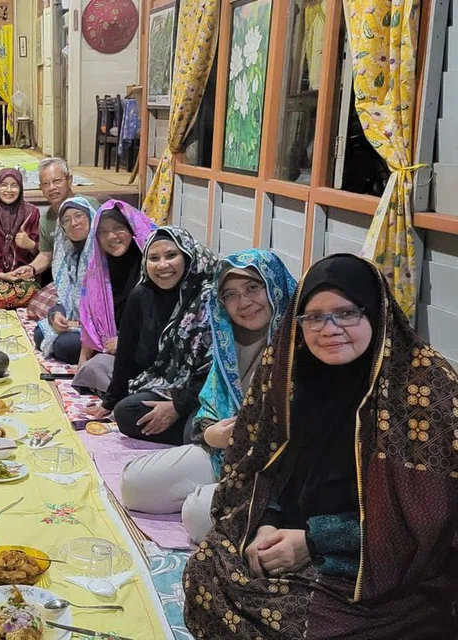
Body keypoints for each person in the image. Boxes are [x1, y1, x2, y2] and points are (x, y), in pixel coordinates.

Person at [183, 254, 458, 639]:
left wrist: (314, 541)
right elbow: (267, 466)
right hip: (289, 533)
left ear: (375, 313)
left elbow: (427, 524)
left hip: (377, 568)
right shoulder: (292, 374)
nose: (329, 329)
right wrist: (266, 522)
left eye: (346, 313)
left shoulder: (423, 392)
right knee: (206, 570)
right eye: (313, 317)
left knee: (306, 627)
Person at [119, 250, 296, 543]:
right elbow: (209, 403)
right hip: (221, 450)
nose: (243, 303)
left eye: (253, 287)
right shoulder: (228, 340)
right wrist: (210, 432)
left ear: (274, 284)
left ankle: (219, 499)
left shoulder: (298, 344)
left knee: (199, 516)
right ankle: (215, 493)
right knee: (135, 485)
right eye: (230, 294)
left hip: (272, 471)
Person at [87, 227, 217, 445]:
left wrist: (177, 405)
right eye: (154, 258)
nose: (163, 265)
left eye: (171, 255)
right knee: (126, 412)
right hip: (163, 383)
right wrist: (109, 402)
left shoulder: (208, 299)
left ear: (187, 256)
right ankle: (192, 435)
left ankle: (194, 434)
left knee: (199, 429)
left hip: (205, 394)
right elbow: (126, 354)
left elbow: (216, 371)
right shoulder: (142, 294)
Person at [72, 200, 156, 393]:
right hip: (111, 349)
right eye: (102, 232)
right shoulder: (98, 270)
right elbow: (89, 316)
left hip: (146, 350)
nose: (111, 237)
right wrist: (82, 361)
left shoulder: (151, 267)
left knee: (98, 369)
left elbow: (160, 321)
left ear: (132, 228)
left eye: (118, 228)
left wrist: (126, 340)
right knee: (87, 367)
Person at [12, 157, 101, 320]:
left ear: (70, 180)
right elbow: (46, 255)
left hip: (95, 277)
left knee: (57, 316)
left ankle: (85, 325)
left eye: (57, 181)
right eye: (46, 184)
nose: (52, 188)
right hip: (67, 280)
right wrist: (30, 269)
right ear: (40, 188)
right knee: (34, 307)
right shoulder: (46, 218)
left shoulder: (89, 205)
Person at [32, 197, 96, 364]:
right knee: (39, 333)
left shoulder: (101, 252)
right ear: (63, 228)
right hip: (74, 322)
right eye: (66, 220)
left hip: (101, 328)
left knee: (64, 345)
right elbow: (63, 297)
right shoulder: (68, 252)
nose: (74, 223)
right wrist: (57, 315)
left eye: (79, 216)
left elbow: (106, 304)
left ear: (90, 217)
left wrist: (81, 324)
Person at [0, 168, 41, 309]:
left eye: (14, 185)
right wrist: (2, 274)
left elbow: (45, 253)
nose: (9, 190)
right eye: (4, 185)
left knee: (33, 295)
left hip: (25, 277)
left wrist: (31, 244)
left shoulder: (31, 213)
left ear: (21, 188)